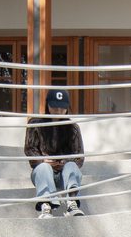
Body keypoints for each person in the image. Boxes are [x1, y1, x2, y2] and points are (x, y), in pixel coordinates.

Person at [24, 86, 86, 217]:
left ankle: (72, 203)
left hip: (64, 173)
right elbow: (30, 150)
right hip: (43, 173)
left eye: (62, 107)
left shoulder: (73, 128)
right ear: (47, 105)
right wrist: (44, 161)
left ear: (67, 107)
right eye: (55, 106)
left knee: (72, 166)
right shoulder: (35, 123)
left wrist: (63, 162)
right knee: (43, 167)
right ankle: (46, 206)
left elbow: (79, 156)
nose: (58, 110)